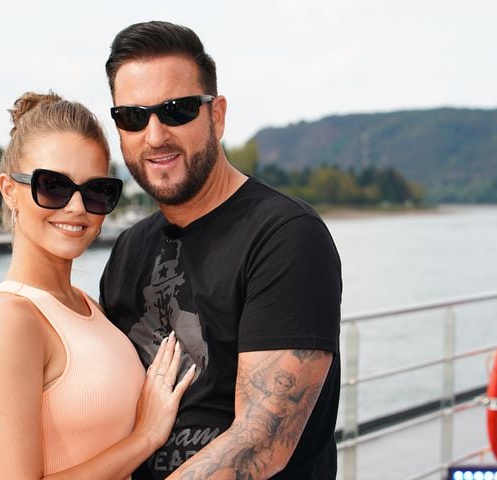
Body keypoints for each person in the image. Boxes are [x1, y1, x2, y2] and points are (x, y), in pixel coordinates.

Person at [98, 21, 342, 479]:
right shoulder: (129, 250)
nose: (155, 135)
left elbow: (262, 442)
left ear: (217, 115)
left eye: (177, 111)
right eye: (133, 117)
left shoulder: (286, 235)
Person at [0, 91, 196, 480]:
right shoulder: (9, 320)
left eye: (96, 191)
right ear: (9, 190)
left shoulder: (90, 308)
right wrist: (144, 438)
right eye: (53, 186)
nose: (76, 207)